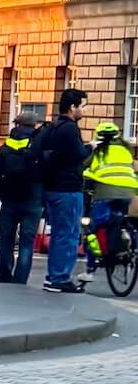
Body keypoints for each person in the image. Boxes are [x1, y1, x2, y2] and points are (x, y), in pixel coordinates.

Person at [37, 87, 91, 293]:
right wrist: (90, 148)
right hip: (67, 189)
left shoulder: (54, 126)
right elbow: (76, 155)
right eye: (83, 106)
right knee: (67, 234)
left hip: (53, 188)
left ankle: (54, 276)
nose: (84, 111)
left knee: (61, 233)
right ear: (72, 107)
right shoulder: (69, 129)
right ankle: (59, 277)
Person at [0, 111, 44, 286]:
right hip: (32, 200)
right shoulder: (37, 144)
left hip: (10, 200)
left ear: (17, 124)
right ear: (34, 125)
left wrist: (1, 194)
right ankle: (20, 280)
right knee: (26, 244)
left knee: (6, 241)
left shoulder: (6, 145)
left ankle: (4, 275)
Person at [83, 121, 137, 270]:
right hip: (129, 192)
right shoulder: (127, 151)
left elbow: (84, 167)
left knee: (93, 227)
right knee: (119, 218)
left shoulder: (99, 151)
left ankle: (90, 268)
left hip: (105, 193)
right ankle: (126, 240)